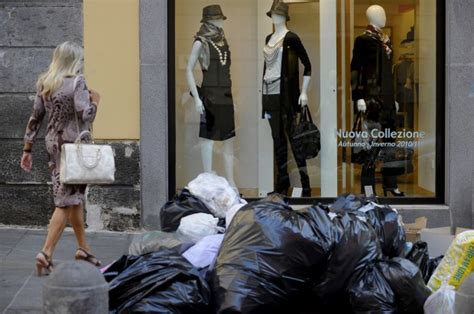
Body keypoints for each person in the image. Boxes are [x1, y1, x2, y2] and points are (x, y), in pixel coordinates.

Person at [20, 41, 101, 276]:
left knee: (73, 197)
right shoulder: (78, 81)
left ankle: (83, 248)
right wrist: (96, 100)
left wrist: (27, 149)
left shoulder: (46, 82)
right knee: (65, 199)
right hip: (73, 147)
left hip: (52, 145)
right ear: (75, 60)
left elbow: (35, 118)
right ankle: (45, 253)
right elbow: (85, 113)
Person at [351, 5, 405, 197]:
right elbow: (355, 69)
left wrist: (394, 98)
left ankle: (391, 184)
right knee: (371, 144)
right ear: (372, 17)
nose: (384, 17)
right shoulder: (363, 41)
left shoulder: (386, 41)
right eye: (380, 14)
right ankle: (367, 187)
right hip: (371, 98)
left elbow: (388, 74)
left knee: (390, 143)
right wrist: (358, 97)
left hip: (388, 99)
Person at [262, 1, 312, 197]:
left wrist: (304, 91)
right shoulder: (269, 37)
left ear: (284, 16)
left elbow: (307, 65)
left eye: (277, 14)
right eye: (273, 14)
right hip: (269, 95)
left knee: (295, 140)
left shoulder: (291, 38)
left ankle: (305, 184)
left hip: (287, 97)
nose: (274, 17)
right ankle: (282, 184)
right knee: (277, 141)